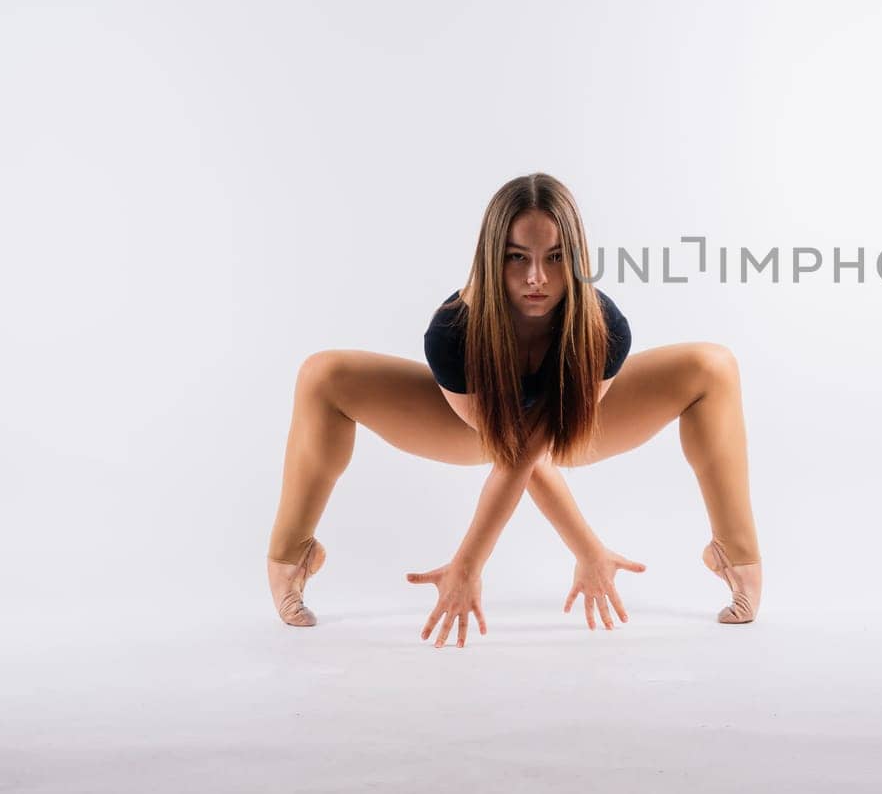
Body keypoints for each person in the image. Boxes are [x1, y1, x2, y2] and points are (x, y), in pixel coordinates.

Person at [265, 172, 763, 645]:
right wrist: (574, 551)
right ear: (490, 258)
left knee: (712, 366)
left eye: (555, 257)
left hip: (574, 428)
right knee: (322, 375)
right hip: (476, 431)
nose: (536, 278)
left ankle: (735, 555)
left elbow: (537, 447)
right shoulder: (452, 332)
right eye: (516, 257)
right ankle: (292, 556)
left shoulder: (604, 327)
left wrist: (477, 561)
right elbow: (513, 451)